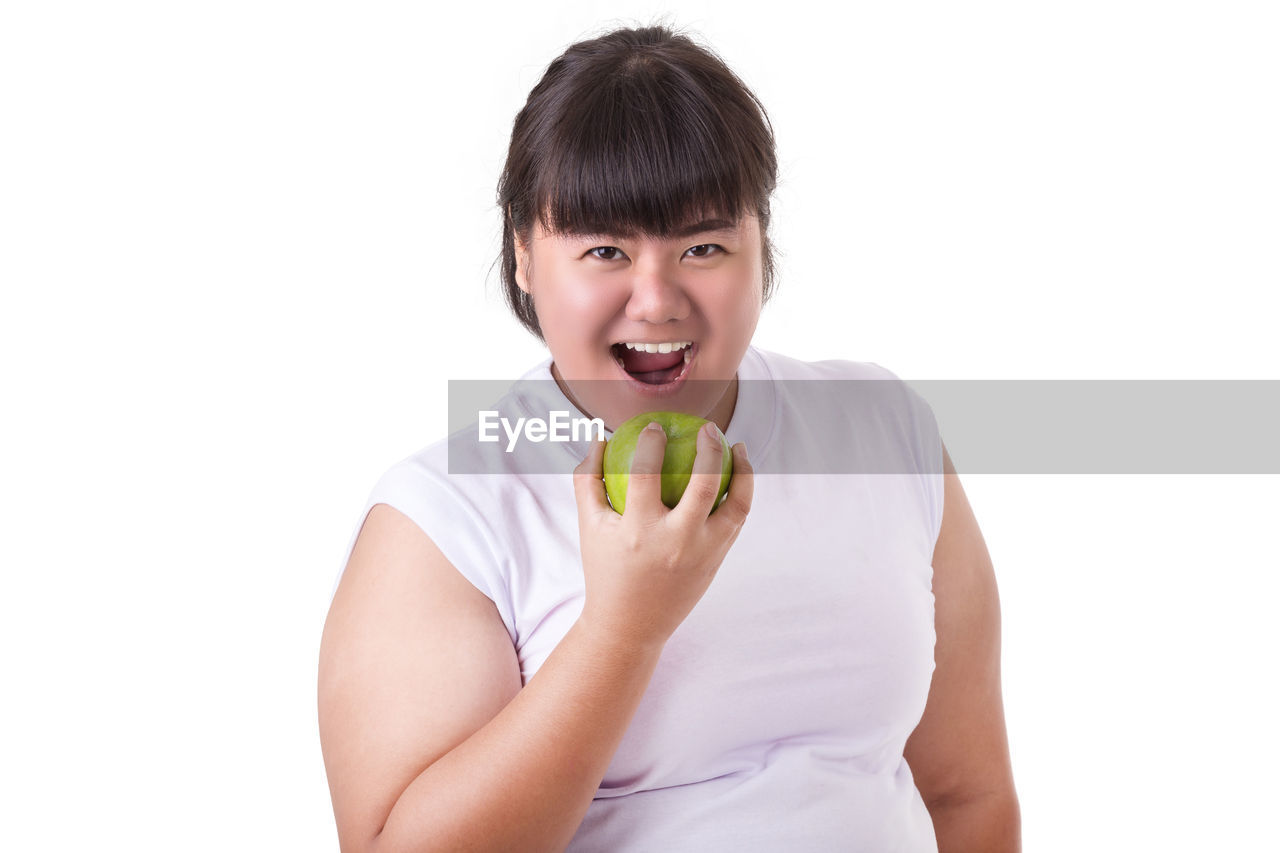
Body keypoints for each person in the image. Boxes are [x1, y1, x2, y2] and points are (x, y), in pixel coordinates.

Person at [318, 23, 1020, 853]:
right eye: (606, 249)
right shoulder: (444, 516)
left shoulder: (881, 428)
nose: (656, 299)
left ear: (761, 244)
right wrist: (624, 628)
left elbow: (966, 793)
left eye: (702, 246)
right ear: (522, 255)